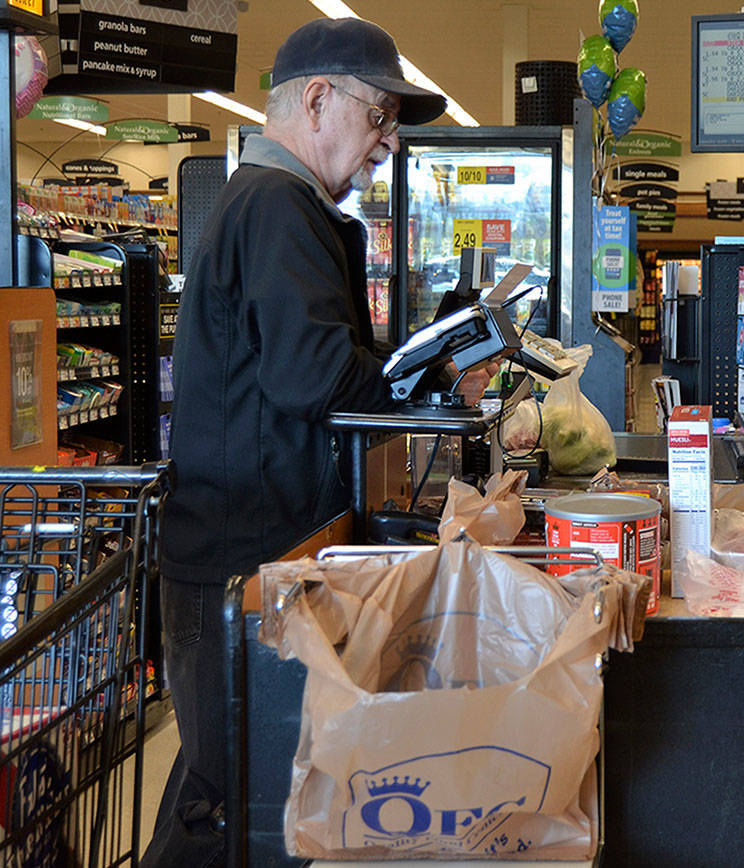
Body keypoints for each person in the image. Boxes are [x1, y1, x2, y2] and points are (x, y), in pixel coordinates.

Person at [145, 18, 495, 865]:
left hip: (241, 550)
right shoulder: (277, 207)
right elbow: (318, 379)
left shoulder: (280, 207)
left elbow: (306, 368)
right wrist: (428, 375)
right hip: (242, 559)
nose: (388, 142)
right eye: (380, 118)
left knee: (221, 784)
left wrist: (420, 365)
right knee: (232, 798)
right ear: (316, 99)